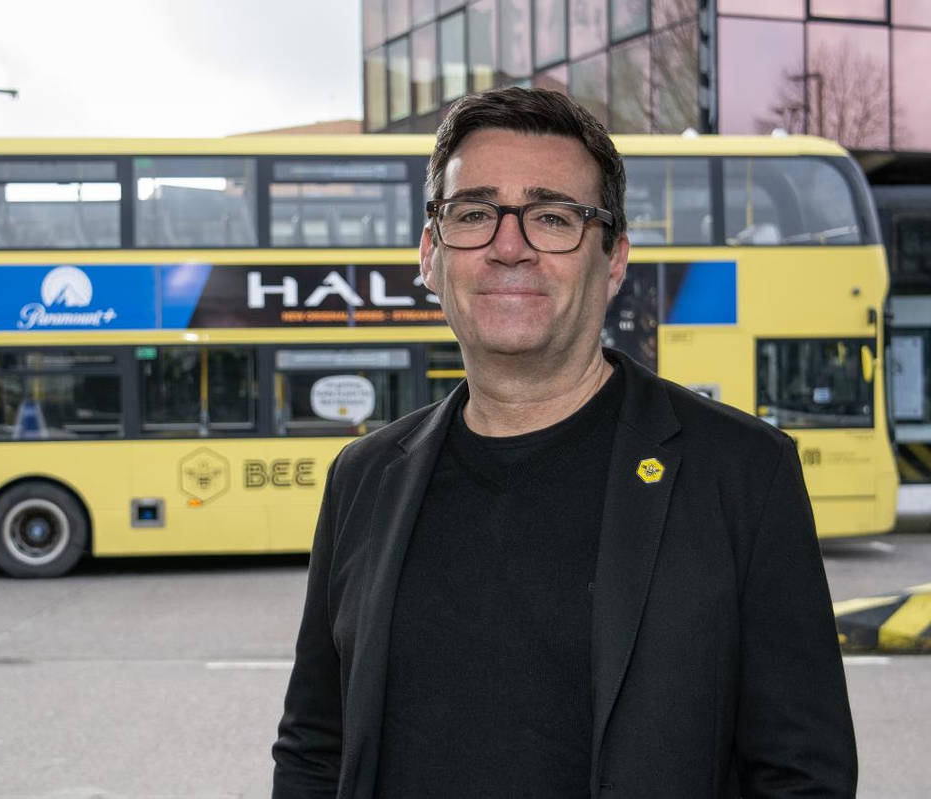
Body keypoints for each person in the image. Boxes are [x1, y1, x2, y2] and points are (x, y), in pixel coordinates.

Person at [272, 87, 855, 798]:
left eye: (553, 217)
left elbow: (803, 774)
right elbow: (315, 748)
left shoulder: (744, 472)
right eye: (474, 213)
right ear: (431, 255)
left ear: (614, 261)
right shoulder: (363, 477)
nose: (508, 247)